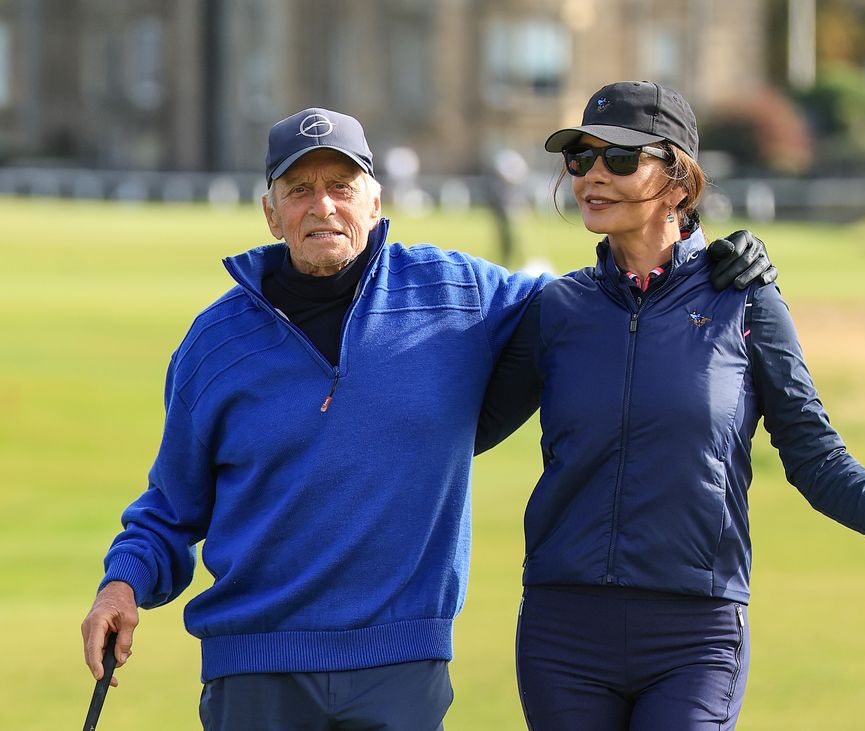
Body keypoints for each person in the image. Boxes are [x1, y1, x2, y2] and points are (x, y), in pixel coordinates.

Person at [79, 106, 775, 730]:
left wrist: (701, 255)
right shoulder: (214, 344)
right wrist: (123, 582)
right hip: (253, 672)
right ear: (270, 212)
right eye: (299, 189)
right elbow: (170, 508)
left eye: (340, 186)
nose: (322, 206)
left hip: (400, 669)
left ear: (375, 201)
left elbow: (599, 300)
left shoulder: (458, 291)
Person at [475, 81, 865, 731]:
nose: (593, 176)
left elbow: (814, 454)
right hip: (564, 632)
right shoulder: (556, 309)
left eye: (621, 159)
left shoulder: (745, 299)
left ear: (679, 182)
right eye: (581, 158)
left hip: (695, 633)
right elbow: (463, 427)